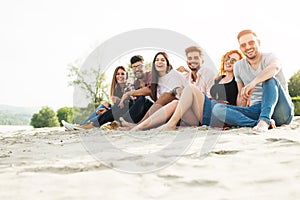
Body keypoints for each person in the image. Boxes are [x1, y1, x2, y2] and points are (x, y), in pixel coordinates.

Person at [130, 50, 243, 131]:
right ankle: (139, 127)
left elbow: (241, 104)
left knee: (190, 89)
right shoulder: (218, 79)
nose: (229, 62)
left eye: (233, 61)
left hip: (218, 114)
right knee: (175, 102)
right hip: (201, 113)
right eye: (227, 59)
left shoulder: (238, 80)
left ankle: (171, 124)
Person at [212, 29, 294, 132]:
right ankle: (257, 123)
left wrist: (253, 83)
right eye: (243, 45)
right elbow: (241, 96)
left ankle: (264, 120)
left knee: (269, 80)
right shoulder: (238, 66)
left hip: (280, 110)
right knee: (217, 108)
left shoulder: (270, 57)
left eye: (251, 43)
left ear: (258, 43)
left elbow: (275, 68)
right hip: (256, 110)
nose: (248, 47)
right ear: (240, 48)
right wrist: (238, 112)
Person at [120, 46, 217, 128]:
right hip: (185, 113)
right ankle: (139, 126)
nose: (192, 61)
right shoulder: (185, 76)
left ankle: (140, 124)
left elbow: (210, 98)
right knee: (173, 101)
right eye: (190, 58)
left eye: (196, 58)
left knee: (169, 96)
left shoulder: (206, 73)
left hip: (204, 110)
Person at [119, 51, 188, 129]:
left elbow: (179, 90)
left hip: (182, 109)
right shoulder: (156, 79)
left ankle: (138, 125)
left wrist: (129, 93)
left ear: (167, 63)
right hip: (168, 111)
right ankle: (123, 123)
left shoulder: (172, 74)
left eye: (162, 60)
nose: (159, 62)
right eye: (157, 60)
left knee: (165, 96)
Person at [62, 65, 131, 130]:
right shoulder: (116, 89)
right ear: (115, 76)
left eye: (122, 74)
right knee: (105, 104)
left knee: (105, 112)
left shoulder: (129, 87)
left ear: (126, 76)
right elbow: (116, 107)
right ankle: (81, 125)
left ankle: (81, 126)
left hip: (125, 114)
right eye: (118, 74)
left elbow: (124, 107)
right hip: (116, 111)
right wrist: (107, 110)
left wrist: (109, 110)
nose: (120, 76)